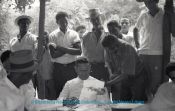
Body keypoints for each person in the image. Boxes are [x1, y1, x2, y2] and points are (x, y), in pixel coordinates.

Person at [135, 0, 171, 98]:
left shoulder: (164, 14)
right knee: (143, 79)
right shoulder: (143, 15)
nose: (148, 4)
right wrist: (137, 45)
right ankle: (146, 103)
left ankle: (156, 103)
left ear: (156, 1)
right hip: (143, 52)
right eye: (146, 3)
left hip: (158, 53)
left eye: (150, 1)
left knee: (156, 81)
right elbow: (135, 29)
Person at [101, 34, 147, 101]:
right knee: (123, 101)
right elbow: (108, 62)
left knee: (137, 102)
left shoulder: (127, 49)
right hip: (124, 78)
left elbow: (125, 74)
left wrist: (108, 83)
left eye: (110, 50)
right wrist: (111, 74)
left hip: (137, 77)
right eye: (107, 50)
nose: (108, 52)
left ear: (115, 46)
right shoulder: (109, 47)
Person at [49, 11, 81, 98]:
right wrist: (70, 48)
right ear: (57, 22)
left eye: (66, 21)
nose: (64, 23)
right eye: (61, 21)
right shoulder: (52, 35)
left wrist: (59, 47)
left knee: (73, 92)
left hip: (72, 67)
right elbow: (54, 55)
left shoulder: (74, 34)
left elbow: (78, 51)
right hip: (58, 68)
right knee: (60, 93)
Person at [82, 8, 109, 81]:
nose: (96, 21)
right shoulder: (86, 37)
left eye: (97, 18)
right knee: (91, 91)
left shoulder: (109, 35)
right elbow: (84, 55)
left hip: (107, 69)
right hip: (91, 70)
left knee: (105, 91)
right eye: (93, 20)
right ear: (90, 21)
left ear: (101, 18)